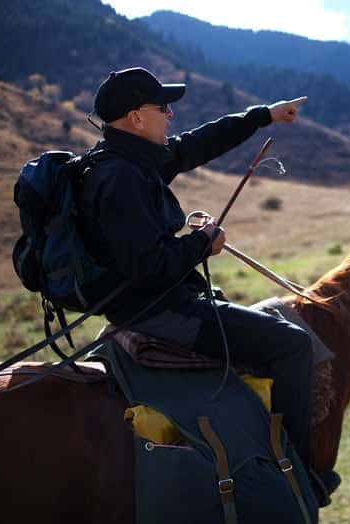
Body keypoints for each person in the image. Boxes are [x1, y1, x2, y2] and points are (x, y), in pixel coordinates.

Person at [77, 67, 320, 486]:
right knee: (295, 346)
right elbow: (148, 269)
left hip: (159, 301)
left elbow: (198, 143)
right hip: (159, 311)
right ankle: (298, 473)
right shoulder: (120, 178)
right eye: (163, 107)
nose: (170, 116)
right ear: (136, 118)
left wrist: (264, 115)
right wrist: (202, 243)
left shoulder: (130, 159)